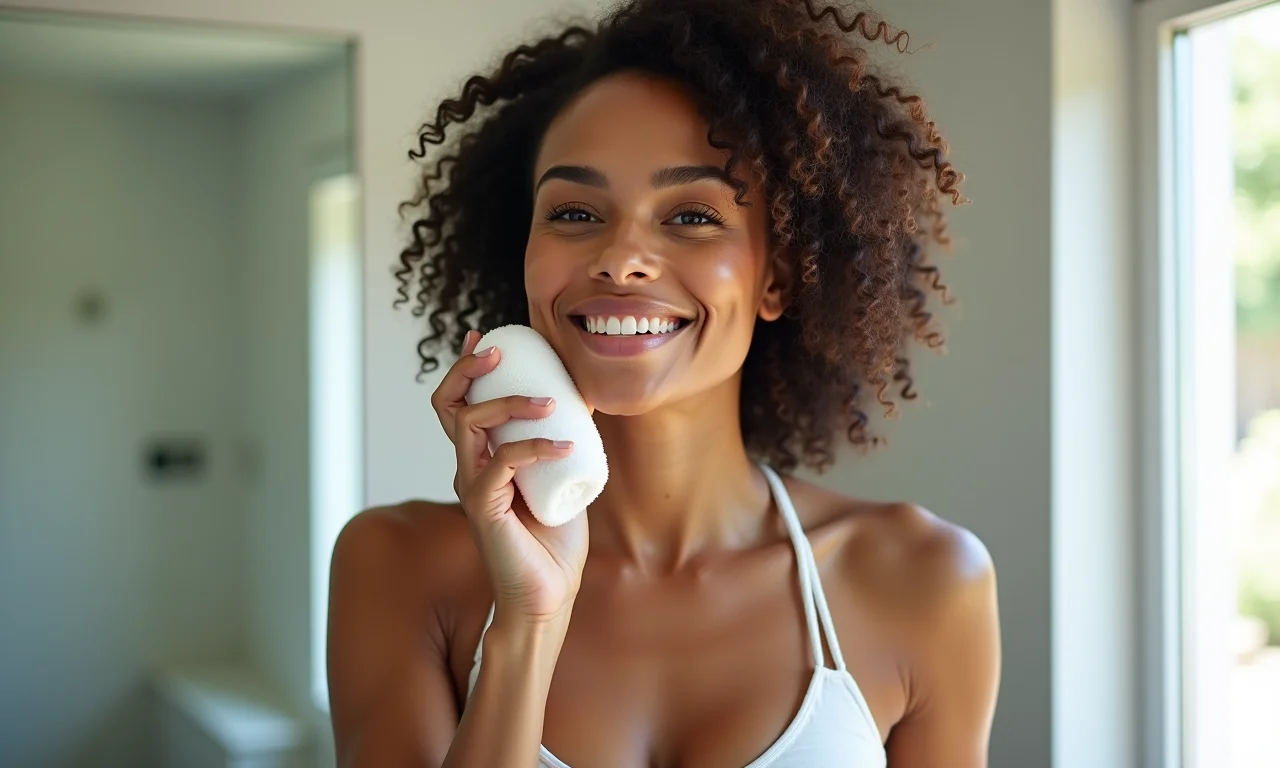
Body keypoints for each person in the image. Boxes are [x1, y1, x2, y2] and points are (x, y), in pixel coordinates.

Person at [326, 0, 1001, 765]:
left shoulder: (924, 579)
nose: (620, 259)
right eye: (576, 211)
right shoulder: (396, 566)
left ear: (777, 275)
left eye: (691, 216)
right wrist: (527, 627)